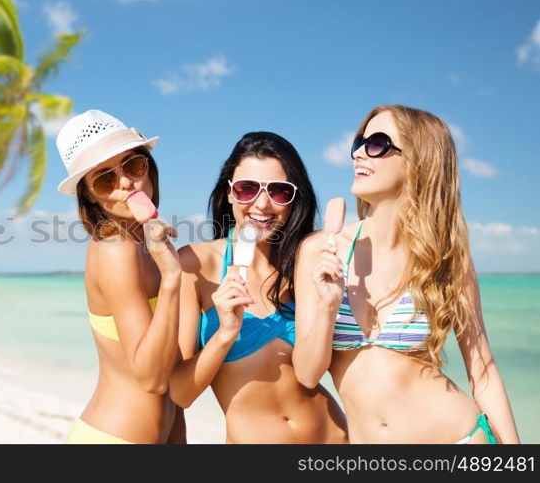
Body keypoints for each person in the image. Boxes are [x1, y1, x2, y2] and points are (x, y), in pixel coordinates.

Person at [293, 104, 520, 443]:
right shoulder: (320, 250)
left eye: (378, 143)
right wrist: (327, 308)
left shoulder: (445, 259)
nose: (359, 154)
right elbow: (308, 374)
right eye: (359, 143)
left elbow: (483, 372)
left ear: (418, 160)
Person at [170, 132, 347, 443]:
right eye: (247, 188)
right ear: (228, 194)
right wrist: (225, 333)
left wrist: (327, 306)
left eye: (279, 191)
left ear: (294, 200)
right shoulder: (197, 264)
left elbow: (312, 374)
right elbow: (181, 393)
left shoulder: (304, 263)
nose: (262, 204)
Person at [57, 109, 184, 443]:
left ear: (148, 166)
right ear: (90, 195)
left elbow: (173, 382)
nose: (126, 182)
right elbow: (152, 379)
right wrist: (172, 280)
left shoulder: (147, 245)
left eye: (133, 165)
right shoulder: (116, 249)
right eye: (105, 179)